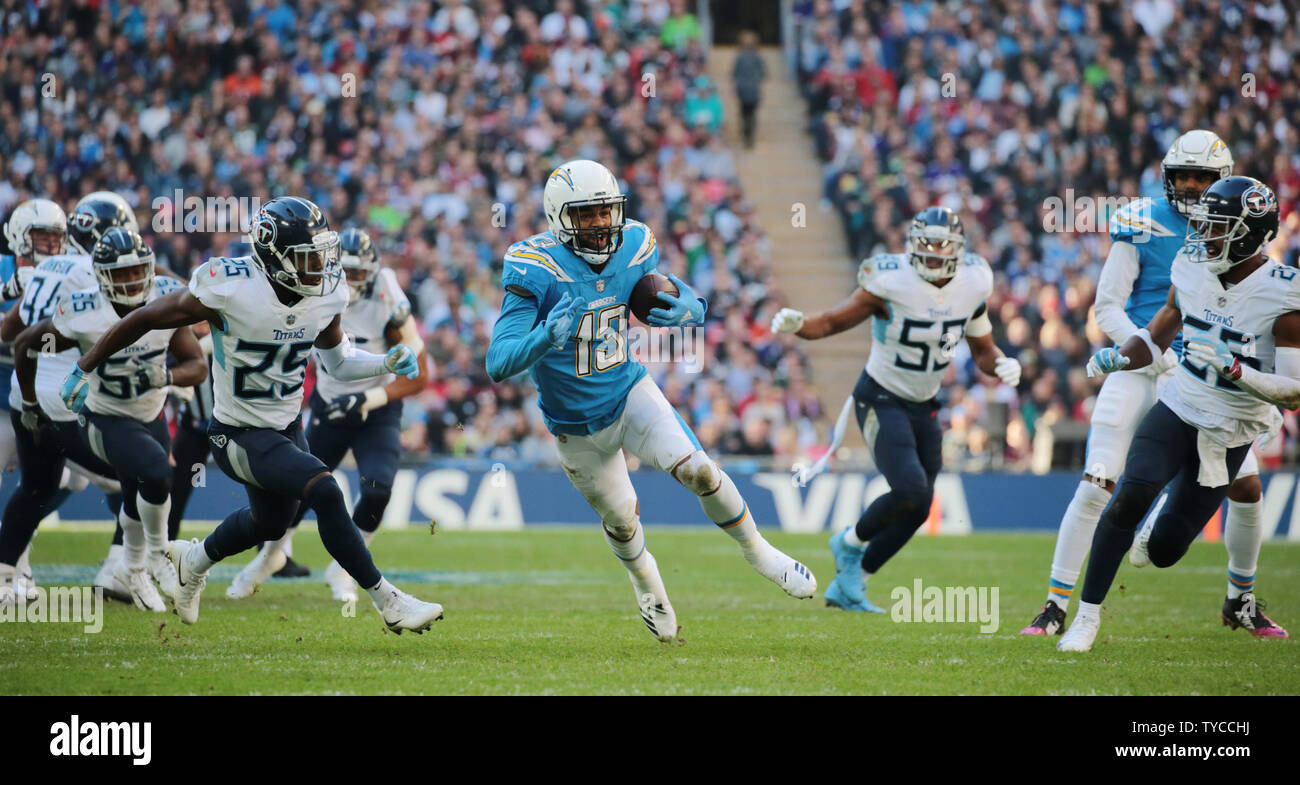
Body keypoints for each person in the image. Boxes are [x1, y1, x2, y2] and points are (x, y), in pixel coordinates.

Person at [55, 196, 443, 633]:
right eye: (306, 256)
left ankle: (193, 560)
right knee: (326, 491)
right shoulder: (230, 284)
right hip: (236, 433)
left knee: (270, 522)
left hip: (286, 427)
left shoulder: (325, 293)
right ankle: (389, 601)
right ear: (274, 256)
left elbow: (337, 363)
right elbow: (146, 317)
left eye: (321, 253)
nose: (319, 265)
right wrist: (82, 367)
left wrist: (383, 365)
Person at [486, 159, 816, 642]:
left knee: (700, 470)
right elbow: (498, 362)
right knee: (621, 520)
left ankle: (761, 552)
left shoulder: (636, 245)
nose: (601, 225)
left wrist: (693, 309)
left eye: (607, 212)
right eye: (587, 215)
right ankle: (648, 585)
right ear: (560, 218)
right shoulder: (535, 267)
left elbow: (680, 296)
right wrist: (543, 338)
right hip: (574, 426)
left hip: (629, 391)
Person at [1020, 130, 1268, 637]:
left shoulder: (1240, 228)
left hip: (1206, 378)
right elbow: (1107, 306)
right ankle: (1054, 606)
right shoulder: (1143, 220)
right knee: (1097, 483)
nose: (1194, 186)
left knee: (1246, 488)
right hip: (1142, 368)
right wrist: (1150, 354)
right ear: (1168, 178)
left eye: (1203, 177)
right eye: (1185, 177)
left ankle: (1239, 600)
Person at [1058, 177, 1290, 652]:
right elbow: (1158, 333)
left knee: (1165, 551)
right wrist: (1120, 357)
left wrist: (1234, 368)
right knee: (1128, 496)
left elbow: (1295, 392)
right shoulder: (1191, 266)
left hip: (1229, 431)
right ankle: (1085, 617)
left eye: (1216, 227)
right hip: (1179, 405)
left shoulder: (1284, 294)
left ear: (1249, 233)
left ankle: (1220, 582)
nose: (1203, 236)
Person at [771, 206, 1021, 611]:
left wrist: (1002, 362)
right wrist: (799, 326)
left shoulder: (974, 283)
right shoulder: (890, 280)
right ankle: (848, 541)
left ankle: (852, 583)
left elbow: (983, 349)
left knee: (920, 506)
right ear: (911, 244)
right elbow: (832, 322)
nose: (934, 252)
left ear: (959, 249)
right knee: (909, 489)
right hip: (881, 395)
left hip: (925, 405)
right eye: (926, 244)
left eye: (943, 245)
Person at [227, 227, 430, 602]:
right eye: (345, 271)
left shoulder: (385, 291)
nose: (350, 281)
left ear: (371, 272)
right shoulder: (317, 288)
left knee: (378, 489)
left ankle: (343, 568)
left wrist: (368, 400)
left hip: (377, 410)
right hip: (328, 406)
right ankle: (272, 557)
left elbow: (420, 374)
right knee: (299, 495)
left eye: (358, 273)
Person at [13, 228, 206, 611]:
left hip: (149, 412)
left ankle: (131, 569)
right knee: (155, 474)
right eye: (120, 274)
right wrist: (31, 404)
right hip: (103, 415)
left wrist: (163, 376)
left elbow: (197, 365)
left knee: (140, 489)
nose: (131, 280)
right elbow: (24, 345)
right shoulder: (83, 311)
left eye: (137, 270)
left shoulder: (165, 300)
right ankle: (157, 553)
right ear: (101, 276)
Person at [732, 30, 765, 148]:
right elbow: (762, 73)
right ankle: (748, 135)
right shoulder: (755, 57)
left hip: (747, 88)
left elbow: (734, 74)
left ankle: (748, 134)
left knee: (747, 114)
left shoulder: (744, 57)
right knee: (749, 114)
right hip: (749, 89)